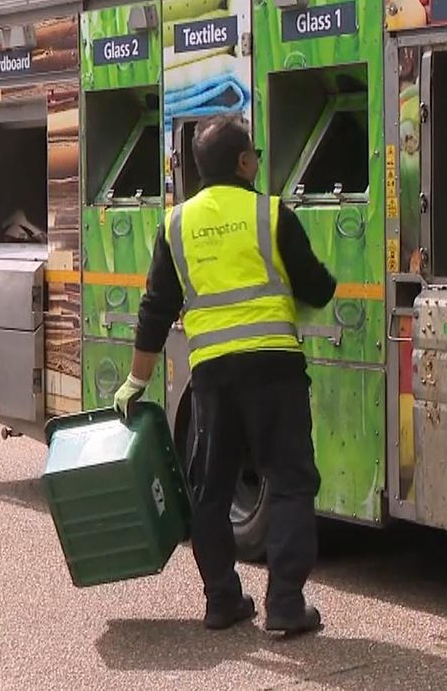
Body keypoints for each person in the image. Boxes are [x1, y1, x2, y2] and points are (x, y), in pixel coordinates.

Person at [115, 115, 336, 637]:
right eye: (253, 152)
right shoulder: (271, 213)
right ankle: (284, 602)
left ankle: (221, 599)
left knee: (210, 491)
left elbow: (155, 309)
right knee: (289, 481)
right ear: (243, 162)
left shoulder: (176, 225)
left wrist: (137, 382)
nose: (257, 159)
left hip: (212, 376)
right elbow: (318, 288)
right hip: (274, 370)